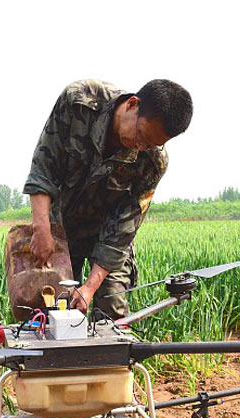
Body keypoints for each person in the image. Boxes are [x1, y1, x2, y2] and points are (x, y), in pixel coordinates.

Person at [24, 78, 193, 319]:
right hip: (59, 228)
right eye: (141, 136)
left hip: (106, 237)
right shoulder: (80, 101)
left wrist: (89, 288)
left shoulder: (153, 162)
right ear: (132, 104)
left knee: (113, 309)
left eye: (150, 144)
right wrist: (42, 229)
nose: (140, 147)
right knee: (51, 310)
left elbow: (122, 231)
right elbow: (44, 168)